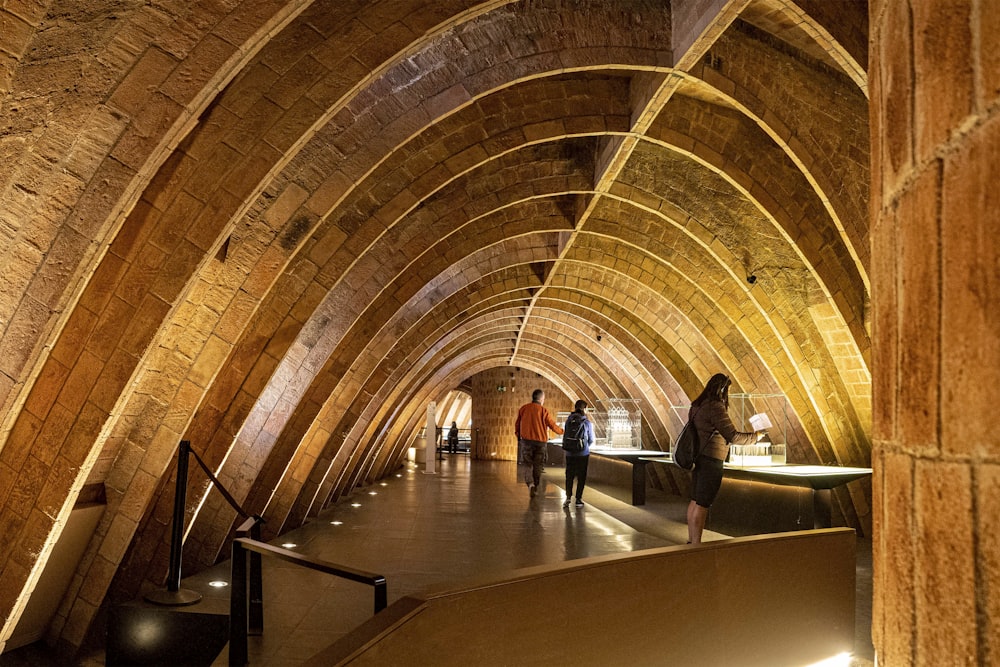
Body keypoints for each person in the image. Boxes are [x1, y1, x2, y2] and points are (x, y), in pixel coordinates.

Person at [686, 373, 765, 545]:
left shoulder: (696, 405)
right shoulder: (715, 407)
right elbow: (733, 436)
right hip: (712, 460)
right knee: (703, 503)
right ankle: (697, 544)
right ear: (722, 389)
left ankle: (691, 540)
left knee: (695, 500)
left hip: (698, 458)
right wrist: (756, 437)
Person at [515, 388, 564, 498]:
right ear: (541, 399)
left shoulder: (523, 409)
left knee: (527, 464)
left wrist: (519, 436)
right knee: (538, 465)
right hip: (540, 443)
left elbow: (517, 424)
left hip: (526, 441)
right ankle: (536, 485)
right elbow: (552, 425)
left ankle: (530, 484)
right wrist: (562, 432)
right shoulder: (543, 411)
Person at [562, 400, 594, 508]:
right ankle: (578, 499)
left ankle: (567, 498)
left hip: (569, 453)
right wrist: (584, 447)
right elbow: (591, 439)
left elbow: (565, 434)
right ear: (584, 409)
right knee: (581, 476)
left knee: (569, 475)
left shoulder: (568, 421)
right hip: (583, 454)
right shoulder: (587, 423)